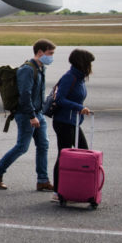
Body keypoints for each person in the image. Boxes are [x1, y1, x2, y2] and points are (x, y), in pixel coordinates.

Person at [0, 39, 57, 191]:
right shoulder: (27, 69)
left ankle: (42, 180)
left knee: (43, 145)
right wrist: (32, 116)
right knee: (22, 147)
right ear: (40, 52)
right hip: (27, 114)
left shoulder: (41, 68)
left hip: (37, 113)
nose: (51, 57)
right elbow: (25, 94)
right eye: (50, 53)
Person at [50, 48, 95, 192]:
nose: (90, 67)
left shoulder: (80, 78)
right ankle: (58, 190)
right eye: (89, 63)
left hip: (73, 122)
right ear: (82, 63)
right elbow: (60, 99)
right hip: (64, 122)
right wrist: (78, 107)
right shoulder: (70, 77)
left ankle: (76, 185)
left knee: (83, 151)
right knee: (63, 154)